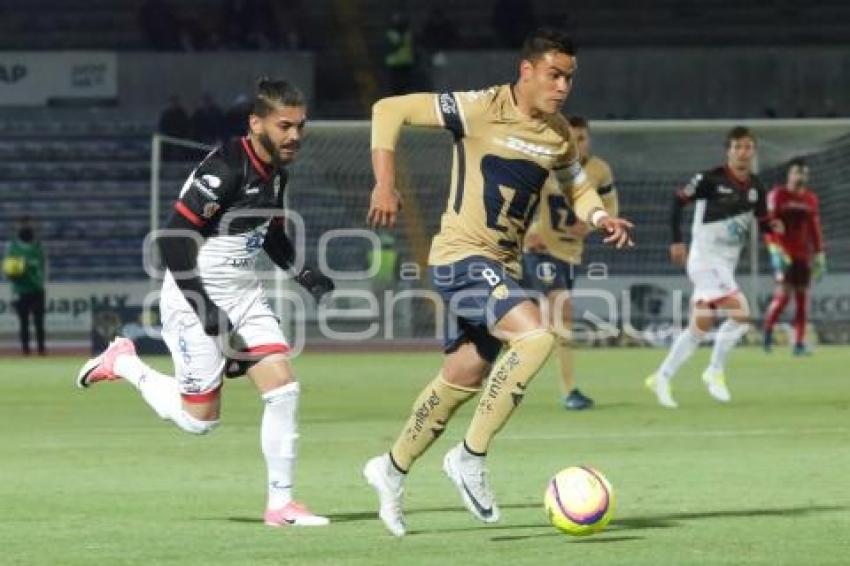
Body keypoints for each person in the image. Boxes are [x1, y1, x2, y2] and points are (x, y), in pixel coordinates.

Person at [363, 28, 633, 537]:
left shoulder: (555, 134)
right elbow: (387, 109)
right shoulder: (478, 107)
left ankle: (392, 468)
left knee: (464, 376)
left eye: (570, 77)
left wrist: (599, 218)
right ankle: (469, 457)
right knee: (537, 337)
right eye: (554, 74)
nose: (563, 86)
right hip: (460, 256)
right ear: (526, 70)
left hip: (500, 267)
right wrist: (384, 181)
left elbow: (578, 186)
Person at [76, 78, 334, 527]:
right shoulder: (226, 169)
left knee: (284, 389)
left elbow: (270, 231)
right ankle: (125, 363)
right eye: (285, 125)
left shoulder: (278, 171)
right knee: (199, 422)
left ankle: (281, 505)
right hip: (196, 295)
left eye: (300, 126)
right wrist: (209, 314)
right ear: (256, 123)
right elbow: (173, 244)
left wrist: (302, 272)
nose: (294, 135)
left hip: (245, 295)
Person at [645, 126, 773, 409]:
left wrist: (776, 234)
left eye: (748, 147)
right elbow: (677, 202)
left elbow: (764, 223)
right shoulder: (709, 179)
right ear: (728, 150)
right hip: (704, 259)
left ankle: (662, 377)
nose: (743, 152)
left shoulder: (756, 188)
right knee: (741, 312)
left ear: (754, 151)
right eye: (738, 146)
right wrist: (677, 242)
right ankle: (714, 371)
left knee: (700, 325)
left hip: (726, 264)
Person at [522, 116, 619, 410]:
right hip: (540, 250)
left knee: (552, 325)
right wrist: (530, 231)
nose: (576, 144)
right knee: (562, 310)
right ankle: (569, 392)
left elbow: (611, 208)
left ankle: (507, 372)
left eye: (582, 139)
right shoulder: (545, 164)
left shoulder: (599, 171)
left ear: (588, 140)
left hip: (571, 254)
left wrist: (590, 227)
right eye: (571, 139)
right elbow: (523, 201)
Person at [762, 158, 826, 355]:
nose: (801, 176)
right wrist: (774, 250)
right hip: (783, 254)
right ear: (789, 175)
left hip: (802, 256)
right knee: (783, 298)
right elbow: (768, 223)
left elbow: (815, 229)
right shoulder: (778, 195)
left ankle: (798, 344)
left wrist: (819, 253)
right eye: (798, 172)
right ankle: (767, 334)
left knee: (802, 301)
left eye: (804, 173)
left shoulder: (811, 199)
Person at [3, 217, 47, 356]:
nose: (26, 228)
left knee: (39, 322)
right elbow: (8, 269)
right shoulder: (12, 248)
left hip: (37, 289)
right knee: (24, 323)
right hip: (21, 290)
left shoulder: (38, 247)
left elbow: (43, 266)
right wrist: (13, 273)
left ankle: (41, 350)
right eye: (23, 225)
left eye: (28, 225)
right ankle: (25, 351)